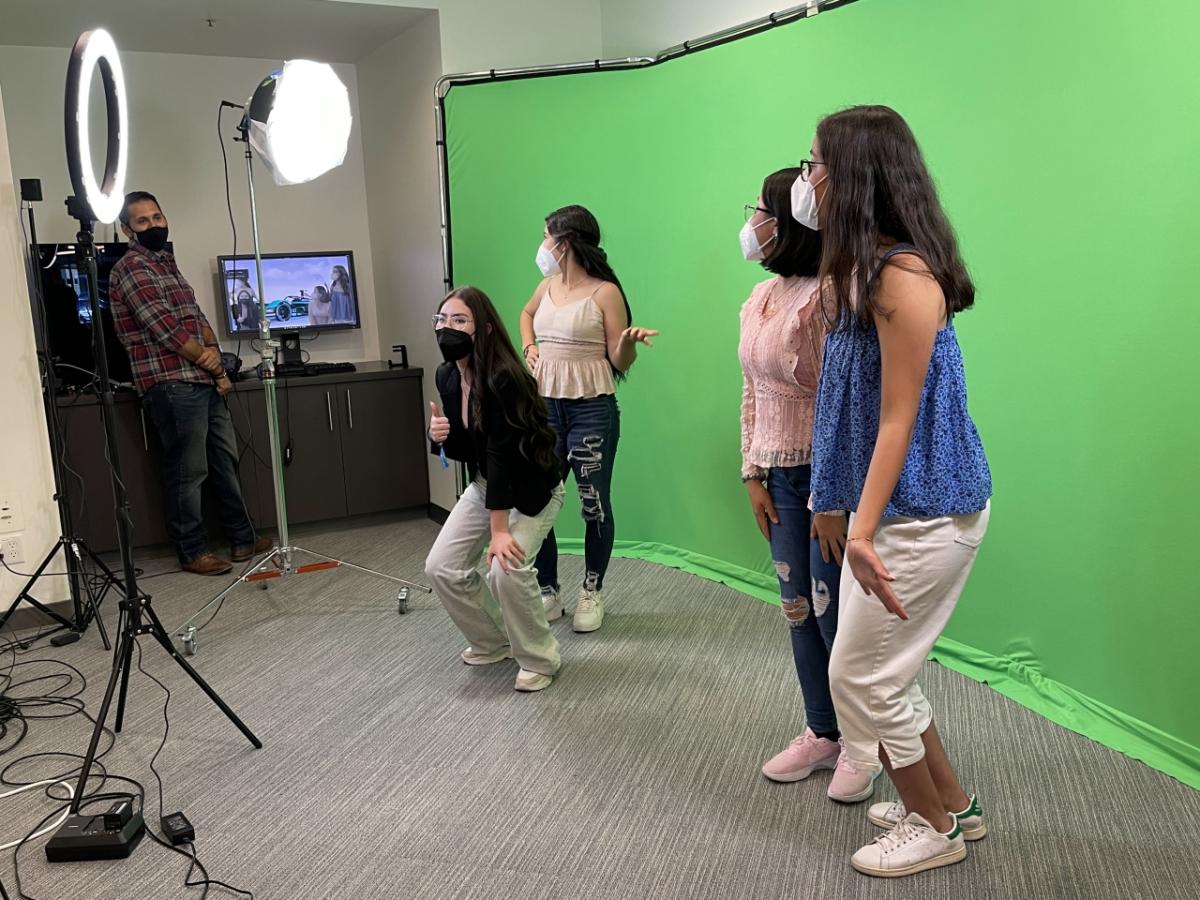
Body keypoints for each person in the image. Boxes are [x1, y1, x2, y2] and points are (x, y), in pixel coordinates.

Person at [800, 106, 993, 877]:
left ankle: (930, 827)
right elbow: (842, 405)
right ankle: (953, 805)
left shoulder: (904, 279)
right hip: (894, 512)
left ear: (853, 177)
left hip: (927, 511)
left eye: (815, 162)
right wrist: (830, 501)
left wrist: (864, 528)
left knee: (860, 677)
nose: (805, 177)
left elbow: (897, 418)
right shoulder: (860, 270)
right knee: (886, 672)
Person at [738, 169, 868, 800]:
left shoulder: (833, 296)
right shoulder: (761, 298)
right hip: (779, 476)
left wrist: (832, 498)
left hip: (827, 481)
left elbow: (843, 405)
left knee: (834, 616)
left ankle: (861, 746)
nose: (752, 222)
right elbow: (752, 392)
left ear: (786, 220)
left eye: (760, 209)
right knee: (796, 610)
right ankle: (823, 732)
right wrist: (752, 471)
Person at [109, 191, 272, 575]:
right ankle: (191, 550)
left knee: (224, 461)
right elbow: (164, 327)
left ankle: (242, 538)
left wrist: (216, 359)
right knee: (189, 469)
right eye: (143, 221)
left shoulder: (166, 263)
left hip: (200, 378)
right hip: (170, 383)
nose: (154, 225)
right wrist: (215, 367)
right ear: (127, 229)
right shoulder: (131, 268)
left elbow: (195, 315)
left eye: (157, 217)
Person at [518, 205, 658, 632]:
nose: (542, 244)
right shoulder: (546, 287)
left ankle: (591, 592)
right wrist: (530, 349)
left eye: (546, 236)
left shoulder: (604, 293)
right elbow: (526, 316)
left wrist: (630, 344)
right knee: (540, 500)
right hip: (547, 407)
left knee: (593, 504)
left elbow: (617, 358)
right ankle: (548, 590)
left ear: (565, 243)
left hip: (590, 408)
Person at [424, 286, 566, 693]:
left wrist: (499, 531)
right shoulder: (447, 375)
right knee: (442, 566)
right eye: (441, 320)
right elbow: (469, 450)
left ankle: (541, 657)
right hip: (488, 483)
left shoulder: (505, 378)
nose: (447, 328)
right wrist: (439, 437)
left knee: (507, 568)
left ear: (483, 329)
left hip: (533, 489)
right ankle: (493, 641)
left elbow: (503, 453)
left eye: (459, 321)